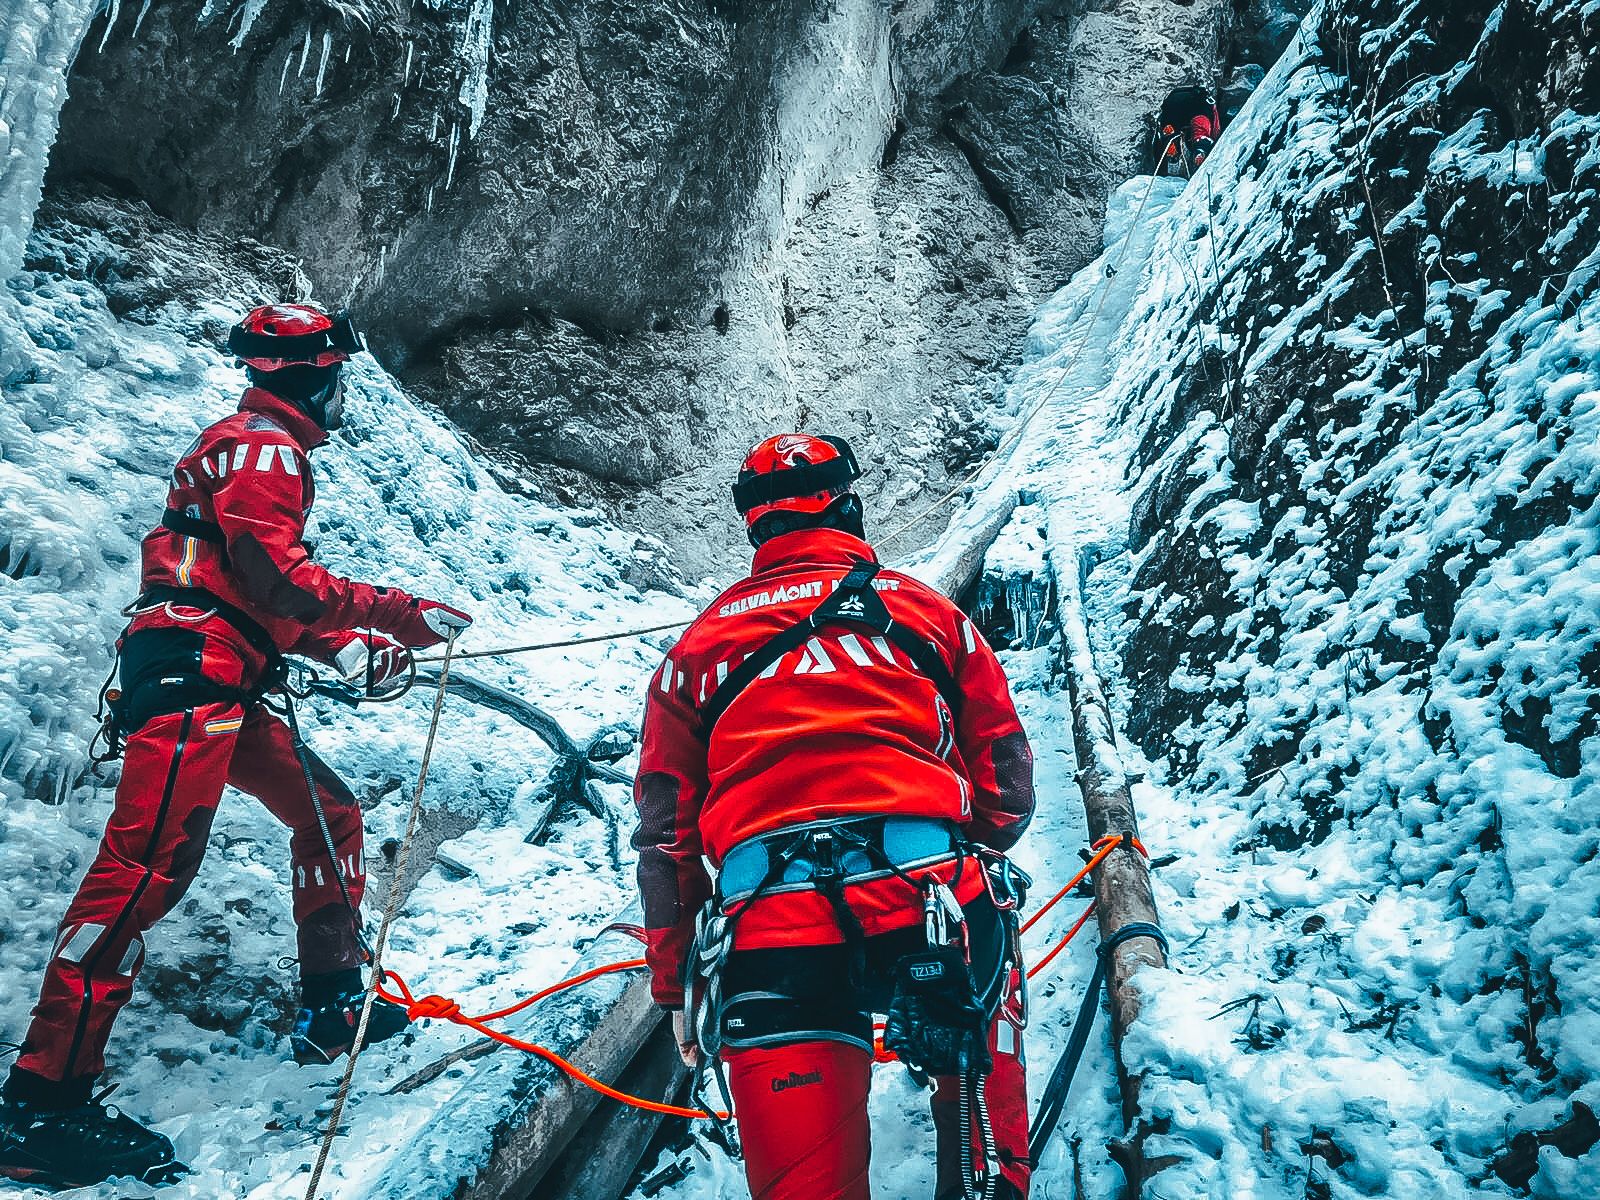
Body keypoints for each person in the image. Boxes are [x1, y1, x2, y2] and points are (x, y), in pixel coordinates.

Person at [0, 304, 472, 1189]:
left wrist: (345, 648)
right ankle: (41, 1101)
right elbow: (271, 576)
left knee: (328, 812)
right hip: (196, 678)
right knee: (141, 872)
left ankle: (333, 1007)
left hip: (219, 671)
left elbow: (244, 589)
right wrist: (394, 613)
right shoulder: (264, 448)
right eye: (336, 378)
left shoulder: (248, 442)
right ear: (318, 377)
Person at [632, 433, 1036, 1200]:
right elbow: (1007, 781)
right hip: (927, 897)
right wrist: (969, 846)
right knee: (982, 1011)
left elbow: (664, 836)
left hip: (769, 930)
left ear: (756, 529)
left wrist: (672, 983)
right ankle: (990, 1175)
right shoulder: (923, 610)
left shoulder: (695, 650)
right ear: (849, 509)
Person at [1158, 84, 1221, 171]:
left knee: (1169, 136)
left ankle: (1173, 156)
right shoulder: (1206, 109)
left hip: (1170, 106)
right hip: (1197, 108)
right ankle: (1199, 152)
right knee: (1200, 133)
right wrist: (1201, 148)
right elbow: (1210, 132)